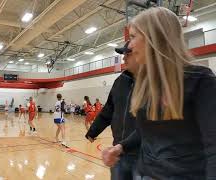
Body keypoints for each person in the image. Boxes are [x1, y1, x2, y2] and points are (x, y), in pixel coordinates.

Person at [102, 7, 216, 179]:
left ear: (154, 38)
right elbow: (145, 131)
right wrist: (121, 147)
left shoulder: (201, 80)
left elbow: (213, 148)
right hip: (144, 174)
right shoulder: (146, 83)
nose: (129, 46)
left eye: (133, 37)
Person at [86, 41, 139, 180]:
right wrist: (93, 131)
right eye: (123, 54)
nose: (123, 58)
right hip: (119, 152)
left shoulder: (152, 82)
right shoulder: (119, 82)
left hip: (144, 156)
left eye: (128, 53)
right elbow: (109, 109)